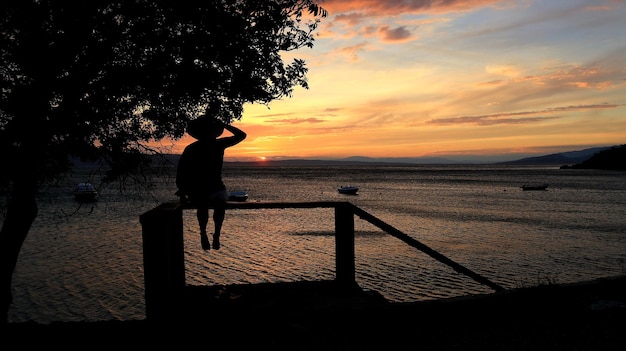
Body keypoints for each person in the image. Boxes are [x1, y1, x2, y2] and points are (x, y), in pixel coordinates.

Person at [176, 115, 246, 251]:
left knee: (206, 205)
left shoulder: (192, 148)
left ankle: (206, 233)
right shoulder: (218, 144)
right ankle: (214, 234)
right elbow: (241, 135)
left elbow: (181, 173)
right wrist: (224, 125)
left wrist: (182, 193)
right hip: (208, 189)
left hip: (202, 190)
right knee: (217, 205)